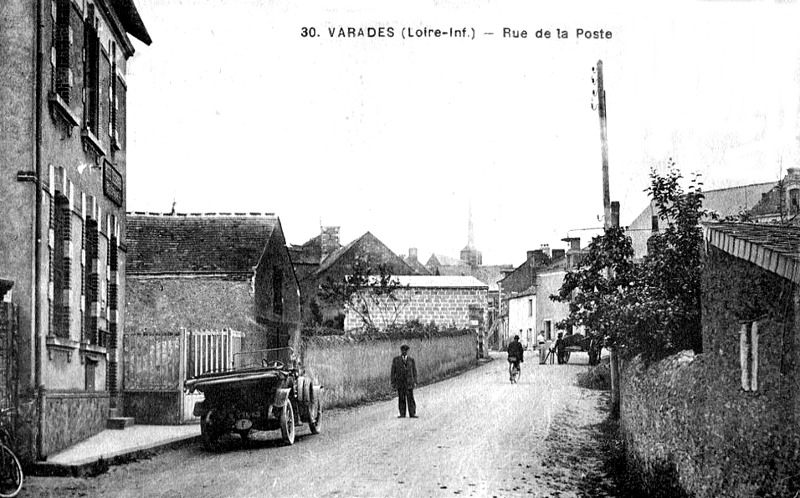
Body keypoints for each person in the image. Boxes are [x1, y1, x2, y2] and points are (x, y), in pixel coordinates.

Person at [390, 344, 418, 418]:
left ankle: (412, 413)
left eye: (406, 350)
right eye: (403, 350)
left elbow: (414, 371)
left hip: (409, 383)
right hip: (400, 383)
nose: (404, 352)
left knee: (410, 398)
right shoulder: (396, 360)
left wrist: (415, 381)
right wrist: (393, 382)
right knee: (401, 398)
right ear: (401, 351)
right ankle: (402, 414)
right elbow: (393, 372)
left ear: (407, 351)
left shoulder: (411, 360)